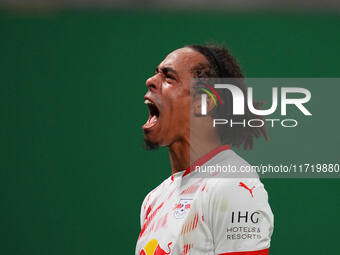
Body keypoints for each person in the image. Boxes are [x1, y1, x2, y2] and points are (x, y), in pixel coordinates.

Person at [136, 44, 274, 255]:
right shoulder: (153, 200)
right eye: (156, 74)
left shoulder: (233, 185)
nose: (150, 81)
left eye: (169, 77)